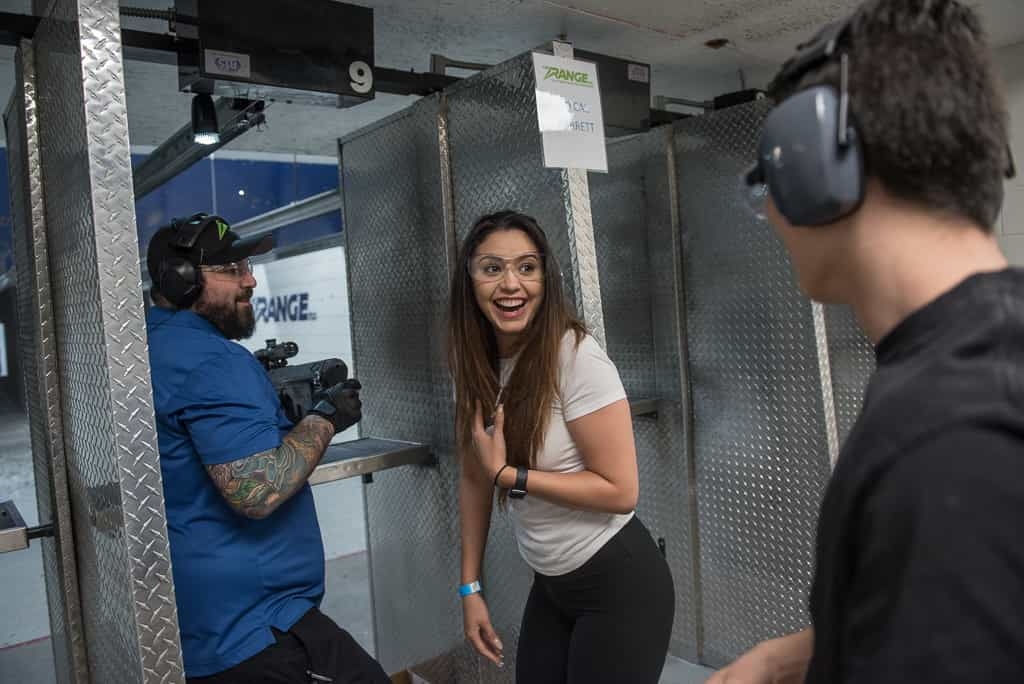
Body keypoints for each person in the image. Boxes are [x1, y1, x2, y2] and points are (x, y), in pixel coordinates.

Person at [716, 1, 1024, 682]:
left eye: (770, 178)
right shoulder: (986, 359)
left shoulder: (946, 442)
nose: (769, 212)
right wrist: (788, 659)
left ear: (815, 167)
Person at [145, 213, 389, 684]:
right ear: (182, 281)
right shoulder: (215, 361)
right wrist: (325, 418)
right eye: (232, 269)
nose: (250, 279)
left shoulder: (152, 346)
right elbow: (257, 491)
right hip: (258, 628)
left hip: (198, 625)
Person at [447, 210, 675, 683]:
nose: (512, 284)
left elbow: (620, 491)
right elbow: (474, 474)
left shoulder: (574, 355)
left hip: (620, 585)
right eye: (492, 268)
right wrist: (470, 587)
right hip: (552, 588)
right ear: (469, 280)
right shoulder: (477, 364)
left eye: (527, 267)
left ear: (545, 278)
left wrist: (511, 477)